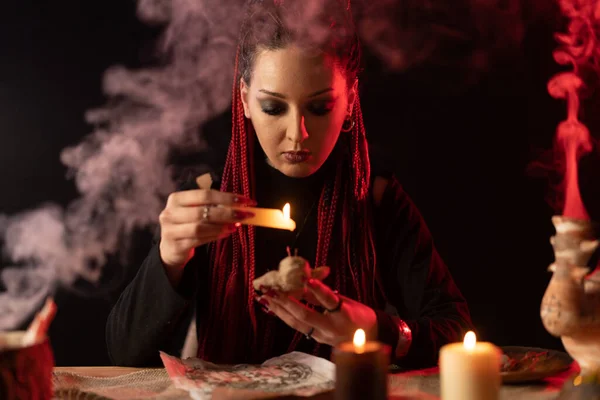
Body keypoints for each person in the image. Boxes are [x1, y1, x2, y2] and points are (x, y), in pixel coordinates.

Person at [106, 0, 472, 368]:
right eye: (274, 108)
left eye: (319, 107)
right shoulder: (207, 196)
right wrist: (169, 258)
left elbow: (456, 331)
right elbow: (123, 354)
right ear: (245, 98)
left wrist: (377, 329)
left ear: (350, 99)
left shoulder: (373, 197)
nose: (297, 134)